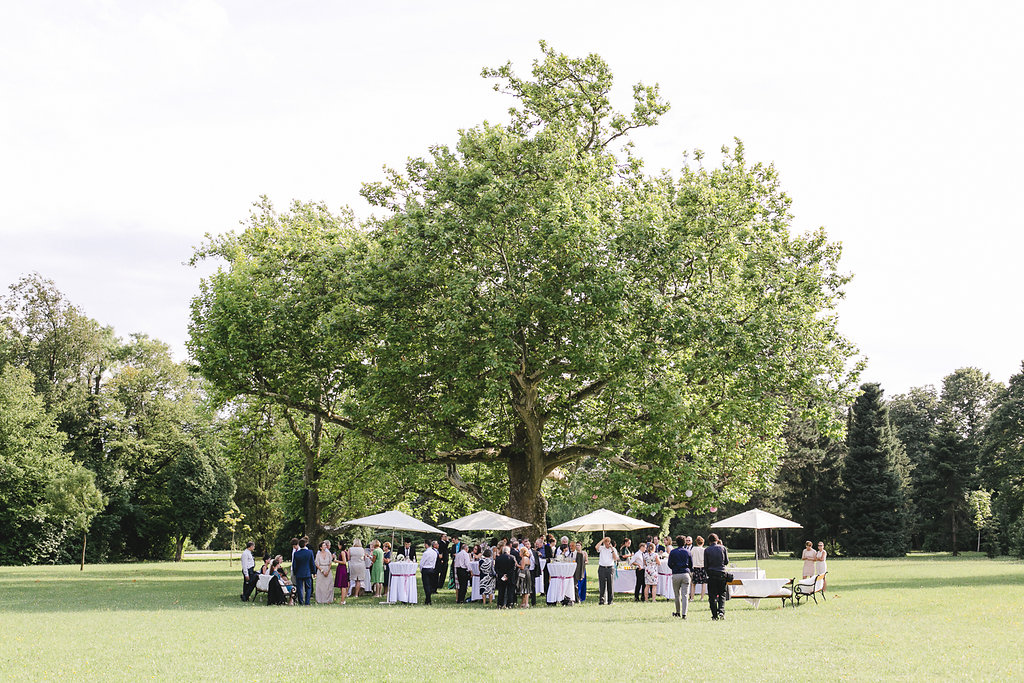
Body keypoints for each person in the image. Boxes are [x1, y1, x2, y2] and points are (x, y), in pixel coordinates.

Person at [704, 533, 729, 620]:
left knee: (712, 596)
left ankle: (714, 615)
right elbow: (726, 561)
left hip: (712, 574)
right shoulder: (723, 548)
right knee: (722, 594)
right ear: (717, 540)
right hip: (721, 573)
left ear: (709, 541)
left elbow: (705, 565)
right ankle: (721, 611)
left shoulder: (707, 550)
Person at [667, 534, 692, 619]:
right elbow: (691, 564)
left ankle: (678, 612)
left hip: (676, 573)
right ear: (684, 543)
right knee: (685, 595)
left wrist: (674, 568)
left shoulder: (673, 552)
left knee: (677, 595)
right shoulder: (688, 552)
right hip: (685, 573)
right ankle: (684, 614)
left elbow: (669, 564)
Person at [594, 536, 619, 605]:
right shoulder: (602, 548)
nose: (606, 543)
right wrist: (602, 540)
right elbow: (596, 547)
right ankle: (601, 600)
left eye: (607, 542)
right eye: (605, 542)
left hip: (610, 568)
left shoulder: (613, 549)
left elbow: (615, 558)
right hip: (602, 567)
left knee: (610, 585)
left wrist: (612, 549)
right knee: (602, 585)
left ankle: (610, 600)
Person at [292, 538, 316, 606]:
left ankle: (301, 601)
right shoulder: (310, 552)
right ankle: (307, 602)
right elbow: (312, 563)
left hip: (299, 573)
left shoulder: (296, 554)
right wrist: (314, 572)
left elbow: (294, 565)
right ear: (305, 544)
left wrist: (295, 572)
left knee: (299, 588)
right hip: (307, 572)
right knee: (308, 588)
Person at [314, 540, 335, 604]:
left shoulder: (328, 553)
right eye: (324, 545)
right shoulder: (318, 554)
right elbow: (317, 564)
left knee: (328, 585)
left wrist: (328, 571)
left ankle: (328, 599)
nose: (325, 546)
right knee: (320, 585)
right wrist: (322, 571)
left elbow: (330, 563)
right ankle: (320, 599)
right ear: (320, 547)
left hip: (327, 569)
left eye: (325, 545)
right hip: (321, 570)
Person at [419, 540, 439, 605]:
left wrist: (421, 569)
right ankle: (428, 599)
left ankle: (428, 599)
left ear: (426, 544)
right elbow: (434, 562)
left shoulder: (426, 553)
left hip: (426, 569)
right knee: (430, 585)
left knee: (426, 585)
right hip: (431, 569)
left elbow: (422, 563)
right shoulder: (434, 552)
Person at [689, 536, 707, 601]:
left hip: (695, 567)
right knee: (703, 583)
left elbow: (690, 556)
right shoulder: (704, 550)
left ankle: (692, 598)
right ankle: (702, 598)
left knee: (693, 583)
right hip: (702, 567)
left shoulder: (694, 549)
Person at [334, 540, 349, 605]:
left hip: (342, 568)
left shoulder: (343, 552)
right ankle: (343, 599)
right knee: (342, 585)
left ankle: (342, 600)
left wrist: (336, 561)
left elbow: (344, 562)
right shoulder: (346, 552)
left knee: (343, 585)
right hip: (342, 568)